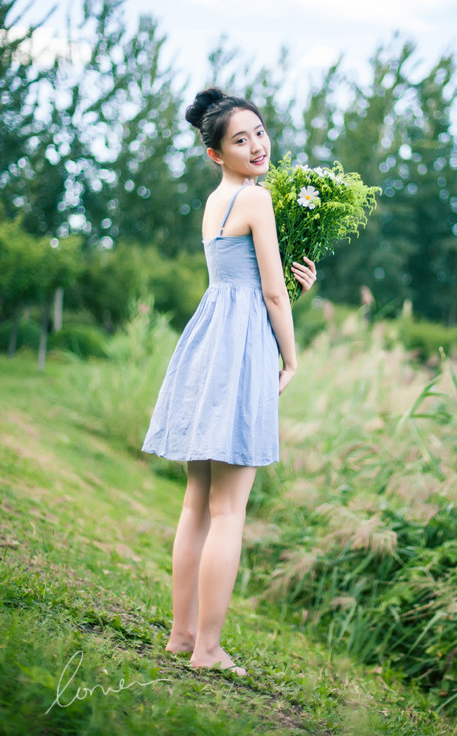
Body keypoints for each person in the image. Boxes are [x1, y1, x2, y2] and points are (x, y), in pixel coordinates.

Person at [141, 87, 316, 675]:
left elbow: (247, 283)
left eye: (260, 133)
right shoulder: (255, 199)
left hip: (208, 343)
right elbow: (267, 293)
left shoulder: (216, 202)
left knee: (196, 504)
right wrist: (290, 359)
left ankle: (181, 634)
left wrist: (294, 287)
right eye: (241, 140)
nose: (257, 145)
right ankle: (208, 651)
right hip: (239, 351)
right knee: (228, 510)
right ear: (217, 153)